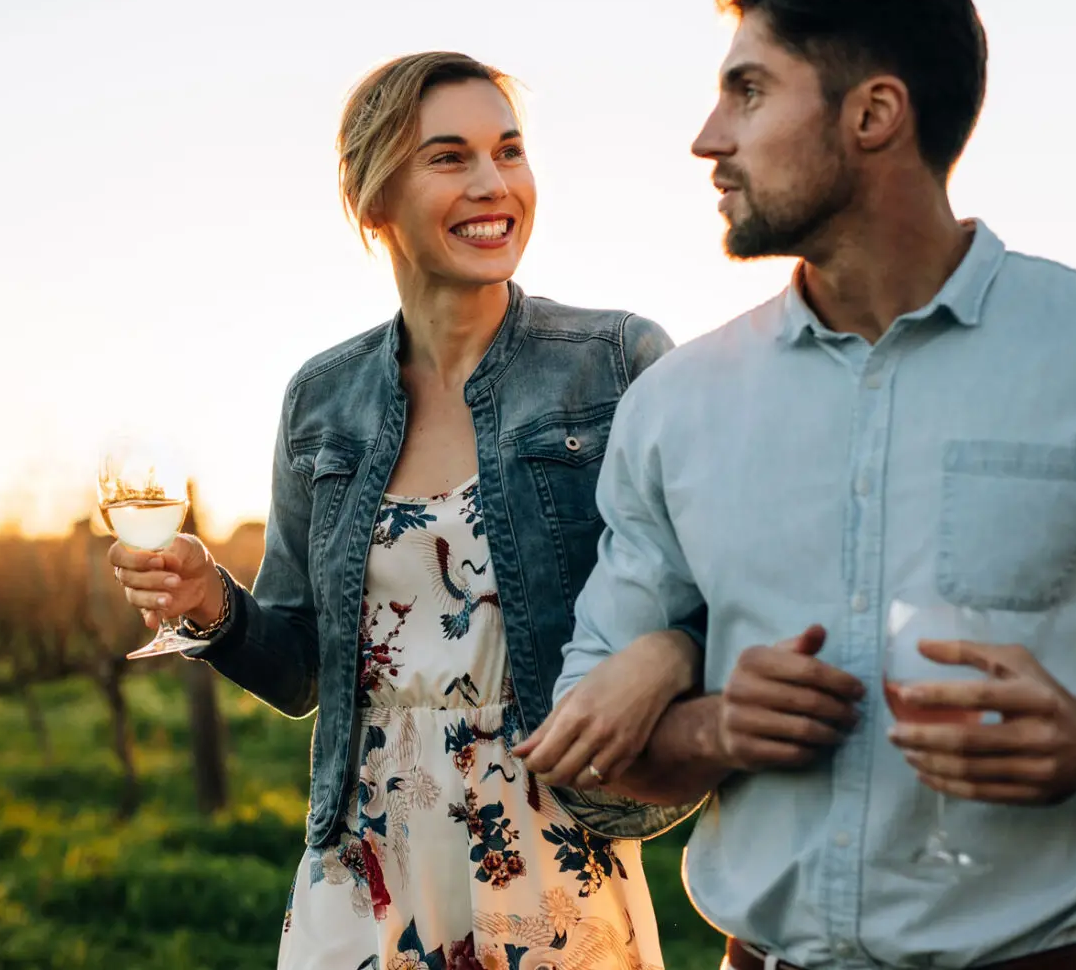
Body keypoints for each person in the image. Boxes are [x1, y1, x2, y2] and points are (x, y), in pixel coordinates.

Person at [519, 0, 1076, 970]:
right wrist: (716, 731)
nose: (708, 137)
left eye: (748, 90)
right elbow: (595, 744)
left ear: (873, 114)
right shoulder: (676, 405)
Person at [110, 51, 696, 970]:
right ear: (373, 197)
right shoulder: (321, 398)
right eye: (449, 157)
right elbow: (303, 666)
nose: (492, 182)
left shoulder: (616, 363)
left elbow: (712, 597)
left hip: (546, 844)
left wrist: (671, 669)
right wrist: (207, 605)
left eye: (508, 150)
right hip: (364, 852)